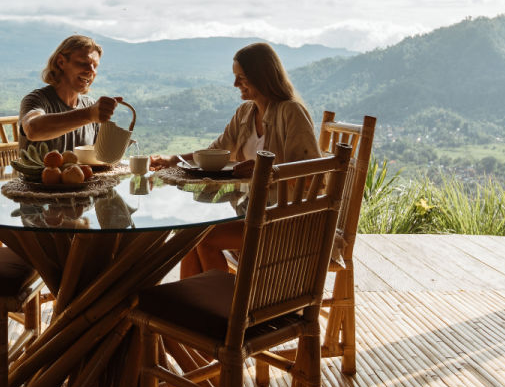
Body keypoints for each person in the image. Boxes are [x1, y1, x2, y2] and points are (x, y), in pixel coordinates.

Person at [150, 42, 320, 277]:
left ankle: (223, 306)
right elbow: (217, 152)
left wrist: (264, 169)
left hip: (285, 221)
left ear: (261, 76)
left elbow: (310, 175)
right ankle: (191, 310)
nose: (235, 84)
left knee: (204, 239)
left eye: (241, 77)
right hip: (251, 213)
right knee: (188, 237)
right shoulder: (246, 113)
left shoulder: (290, 112)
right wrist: (174, 159)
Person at [19, 34, 122, 155]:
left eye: (95, 66)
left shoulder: (90, 104)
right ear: (61, 62)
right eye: (84, 63)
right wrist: (89, 114)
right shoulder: (37, 100)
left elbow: (99, 155)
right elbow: (32, 130)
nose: (92, 71)